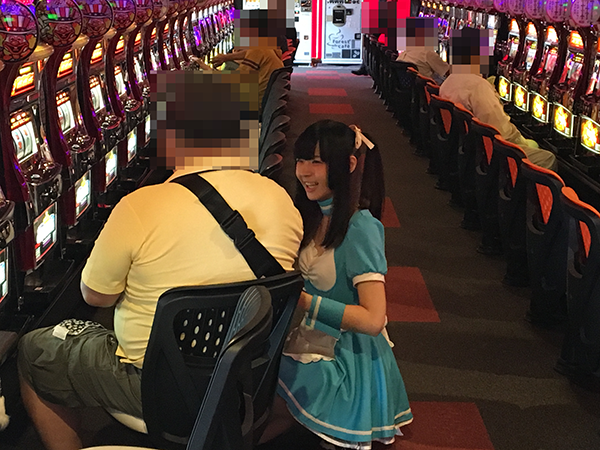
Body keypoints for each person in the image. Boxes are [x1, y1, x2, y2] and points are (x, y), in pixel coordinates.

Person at [18, 71, 303, 450]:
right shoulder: (281, 199)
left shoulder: (141, 206)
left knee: (35, 350)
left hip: (153, 385)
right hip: (245, 379)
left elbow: (94, 296)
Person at [260, 120, 413, 449]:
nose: (304, 171)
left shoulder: (361, 227)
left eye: (317, 161)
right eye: (301, 160)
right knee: (256, 395)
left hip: (344, 356)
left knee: (267, 401)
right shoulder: (312, 214)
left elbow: (374, 320)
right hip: (309, 337)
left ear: (349, 164)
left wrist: (302, 300)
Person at [439, 27, 557, 170]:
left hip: (465, 145)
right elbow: (501, 130)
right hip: (490, 151)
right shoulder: (478, 86)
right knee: (547, 158)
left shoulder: (450, 80)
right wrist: (524, 141)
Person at [396, 17, 449, 84]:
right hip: (425, 86)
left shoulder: (407, 50)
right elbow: (448, 72)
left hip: (406, 87)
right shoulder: (428, 53)